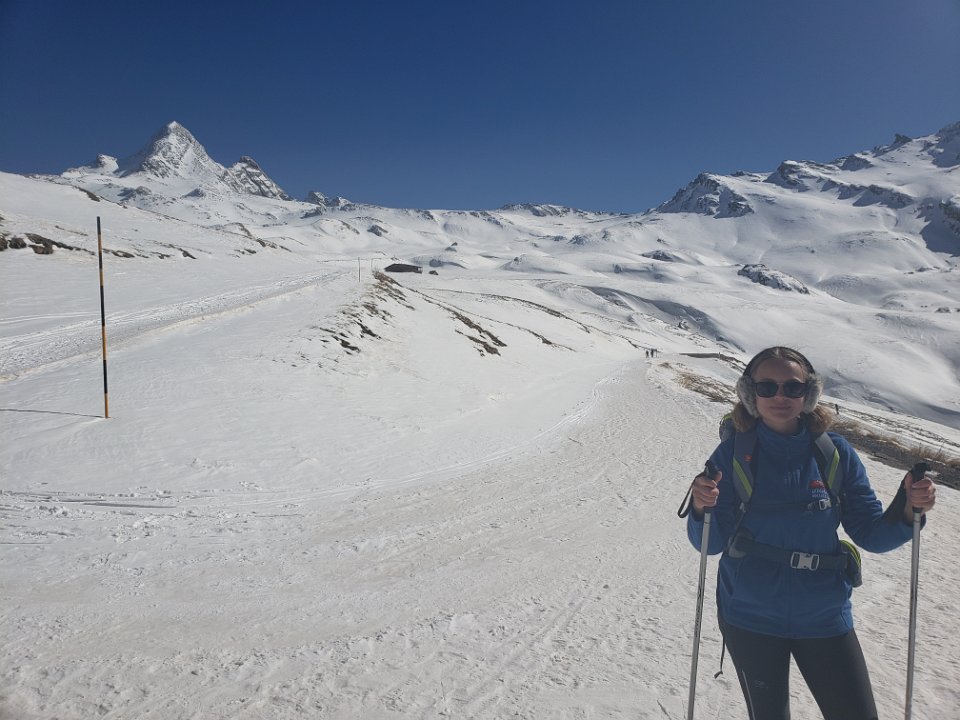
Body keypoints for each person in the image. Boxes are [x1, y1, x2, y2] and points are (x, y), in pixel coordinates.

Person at [687, 346, 936, 720]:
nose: (780, 396)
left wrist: (908, 508)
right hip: (750, 615)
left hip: (824, 614)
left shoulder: (834, 453)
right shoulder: (731, 454)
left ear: (809, 394)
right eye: (767, 387)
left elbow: (872, 534)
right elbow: (710, 542)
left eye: (793, 387)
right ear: (750, 394)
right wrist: (700, 506)